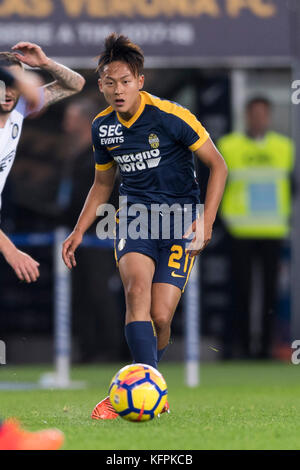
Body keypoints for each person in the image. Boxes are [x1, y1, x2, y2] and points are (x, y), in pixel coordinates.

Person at [62, 34, 228, 419]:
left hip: (179, 222)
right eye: (109, 82)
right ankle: (142, 393)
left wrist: (206, 221)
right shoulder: (102, 127)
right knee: (136, 291)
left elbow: (218, 165)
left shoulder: (171, 116)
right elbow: (102, 184)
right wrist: (79, 229)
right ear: (100, 84)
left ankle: (150, 384)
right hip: (134, 219)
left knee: (161, 318)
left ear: (140, 80)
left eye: (124, 81)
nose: (117, 90)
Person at [0, 42, 85, 283]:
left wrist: (46, 64)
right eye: (3, 85)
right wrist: (12, 252)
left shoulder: (20, 106)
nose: (8, 93)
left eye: (15, 85)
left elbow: (75, 84)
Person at [218, 97, 294, 359]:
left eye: (263, 114)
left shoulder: (284, 147)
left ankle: (265, 348)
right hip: (239, 230)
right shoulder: (229, 146)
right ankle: (239, 346)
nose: (259, 119)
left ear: (269, 116)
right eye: (254, 114)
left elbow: (290, 185)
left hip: (273, 230)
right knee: (239, 291)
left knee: (270, 293)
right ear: (246, 116)